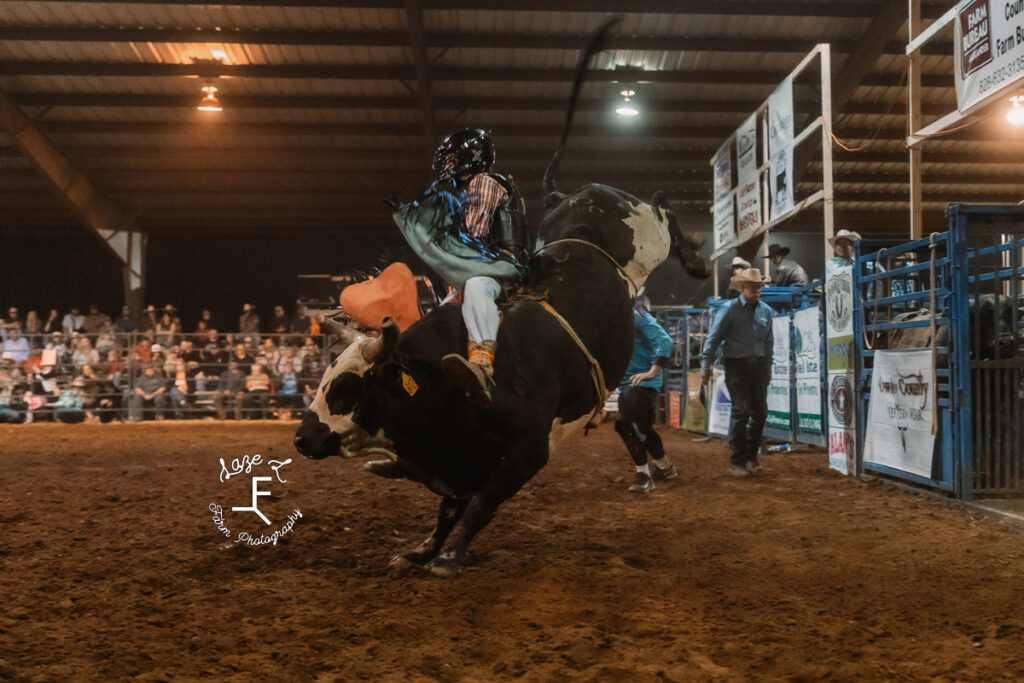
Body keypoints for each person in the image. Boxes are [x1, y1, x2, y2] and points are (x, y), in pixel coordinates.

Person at [395, 128, 528, 405]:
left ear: (472, 157)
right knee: (443, 315)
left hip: (499, 268)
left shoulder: (483, 182)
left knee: (476, 286)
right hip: (484, 266)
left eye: (453, 159)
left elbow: (475, 235)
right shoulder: (472, 188)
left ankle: (482, 361)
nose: (447, 166)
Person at [701, 267, 774, 477]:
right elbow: (714, 338)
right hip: (736, 366)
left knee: (760, 413)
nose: (756, 290)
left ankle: (751, 457)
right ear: (742, 287)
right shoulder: (729, 309)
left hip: (758, 366)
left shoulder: (766, 311)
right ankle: (738, 461)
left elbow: (769, 342)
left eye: (759, 286)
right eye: (752, 286)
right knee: (741, 411)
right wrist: (706, 365)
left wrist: (768, 368)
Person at [614, 301, 679, 493]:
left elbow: (664, 340)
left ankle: (643, 474)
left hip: (643, 380)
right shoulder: (611, 314)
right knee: (642, 427)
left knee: (625, 423)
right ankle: (665, 467)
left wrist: (652, 372)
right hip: (628, 381)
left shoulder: (635, 312)